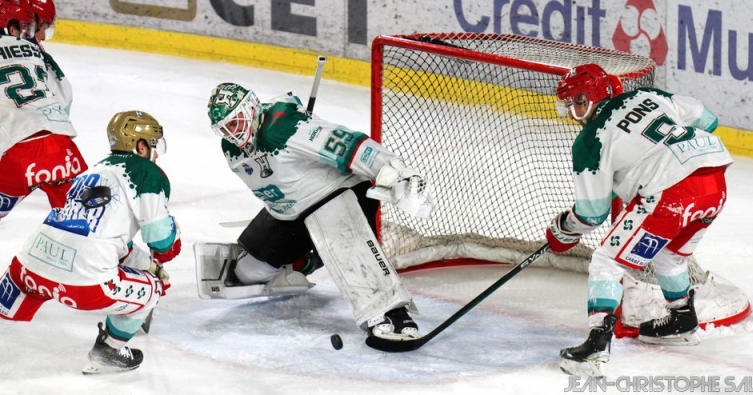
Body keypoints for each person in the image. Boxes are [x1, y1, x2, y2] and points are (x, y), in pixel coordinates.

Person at [204, 82, 434, 341]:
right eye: (224, 128)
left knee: (349, 249)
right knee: (248, 273)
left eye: (235, 123)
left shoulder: (282, 127)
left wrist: (393, 173)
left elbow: (343, 142)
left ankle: (391, 312)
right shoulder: (231, 148)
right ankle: (311, 258)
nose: (232, 133)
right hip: (292, 214)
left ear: (250, 108)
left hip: (336, 194)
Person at [547, 64, 733, 376]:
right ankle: (682, 321)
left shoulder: (591, 140)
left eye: (576, 103)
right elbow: (707, 118)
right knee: (670, 253)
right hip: (714, 183)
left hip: (670, 194)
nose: (570, 113)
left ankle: (594, 348)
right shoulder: (648, 95)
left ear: (593, 98)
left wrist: (564, 229)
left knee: (607, 261)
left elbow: (592, 215)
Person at [0, 110, 181, 374]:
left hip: (27, 269)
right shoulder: (147, 172)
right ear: (141, 146)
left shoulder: (92, 170)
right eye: (153, 145)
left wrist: (146, 264)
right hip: (84, 284)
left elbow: (103, 238)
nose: (155, 153)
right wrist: (166, 251)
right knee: (153, 289)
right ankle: (109, 351)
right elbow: (162, 242)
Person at [0, 0, 87, 222]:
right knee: (85, 227)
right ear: (13, 27)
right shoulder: (35, 52)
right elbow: (64, 97)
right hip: (61, 149)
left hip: (18, 152)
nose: (42, 37)